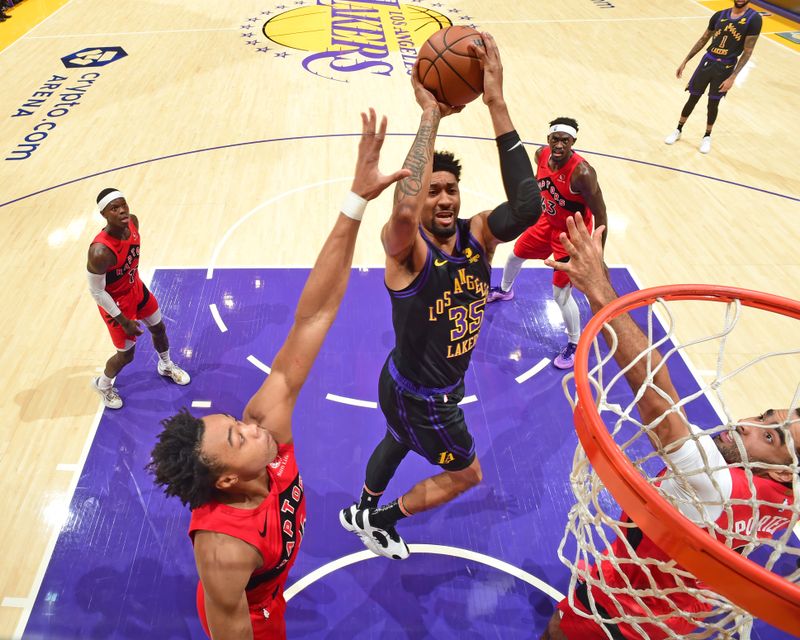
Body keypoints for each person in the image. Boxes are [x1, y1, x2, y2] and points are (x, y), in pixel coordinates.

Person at [147, 110, 409, 640]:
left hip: (270, 579)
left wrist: (356, 202)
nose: (250, 425)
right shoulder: (223, 550)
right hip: (256, 613)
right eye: (237, 437)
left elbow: (313, 315)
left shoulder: (265, 422)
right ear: (225, 479)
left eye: (234, 423)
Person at [540, 213, 799, 640]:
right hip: (678, 616)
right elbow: (665, 390)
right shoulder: (788, 501)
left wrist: (598, 287)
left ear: (778, 470)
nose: (747, 423)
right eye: (765, 415)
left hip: (617, 607)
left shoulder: (713, 483)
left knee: (555, 633)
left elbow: (656, 398)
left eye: (770, 436)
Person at [338, 32, 541, 560]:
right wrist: (430, 114)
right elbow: (403, 212)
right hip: (429, 399)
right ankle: (378, 520)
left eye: (451, 189)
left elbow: (528, 206)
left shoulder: (478, 235)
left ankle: (363, 504)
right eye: (434, 189)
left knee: (398, 439)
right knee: (467, 474)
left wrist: (495, 101)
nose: (445, 198)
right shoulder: (407, 252)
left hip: (401, 382)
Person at [486, 117, 608, 370]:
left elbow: (602, 213)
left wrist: (598, 251)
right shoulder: (540, 155)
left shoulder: (582, 173)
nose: (560, 144)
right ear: (548, 139)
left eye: (566, 140)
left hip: (572, 236)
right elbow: (539, 186)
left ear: (574, 141)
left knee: (560, 296)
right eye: (556, 139)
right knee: (514, 255)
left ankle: (574, 343)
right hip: (547, 223)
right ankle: (505, 290)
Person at [87, 189, 190, 409]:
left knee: (159, 328)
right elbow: (96, 291)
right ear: (104, 214)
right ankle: (103, 385)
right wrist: (123, 319)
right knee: (126, 355)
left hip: (137, 289)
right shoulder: (99, 252)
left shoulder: (133, 223)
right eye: (114, 208)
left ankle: (166, 365)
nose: (122, 210)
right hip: (117, 305)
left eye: (123, 204)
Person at [664, 0, 762, 154]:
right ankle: (678, 129)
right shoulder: (719, 15)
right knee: (692, 98)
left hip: (727, 66)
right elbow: (703, 39)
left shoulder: (754, 19)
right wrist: (685, 61)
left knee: (713, 103)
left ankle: (707, 136)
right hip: (708, 61)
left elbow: (748, 51)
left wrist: (733, 77)